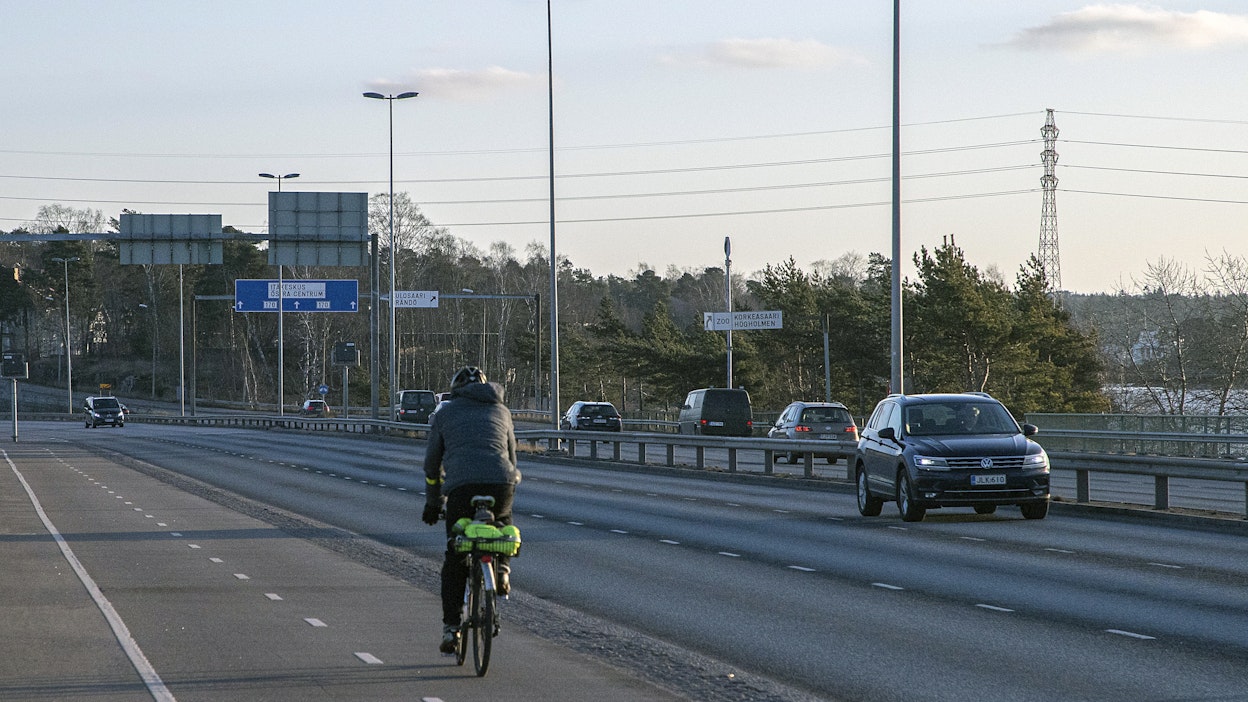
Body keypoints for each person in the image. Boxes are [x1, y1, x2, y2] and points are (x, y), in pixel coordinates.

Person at [422, 366, 522, 654]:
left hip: (461, 488)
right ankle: (502, 567)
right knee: (503, 519)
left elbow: (432, 466)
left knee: (455, 556)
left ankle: (452, 628)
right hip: (501, 483)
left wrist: (433, 501)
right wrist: (508, 480)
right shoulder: (502, 411)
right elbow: (512, 459)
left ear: (455, 391)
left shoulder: (444, 414)